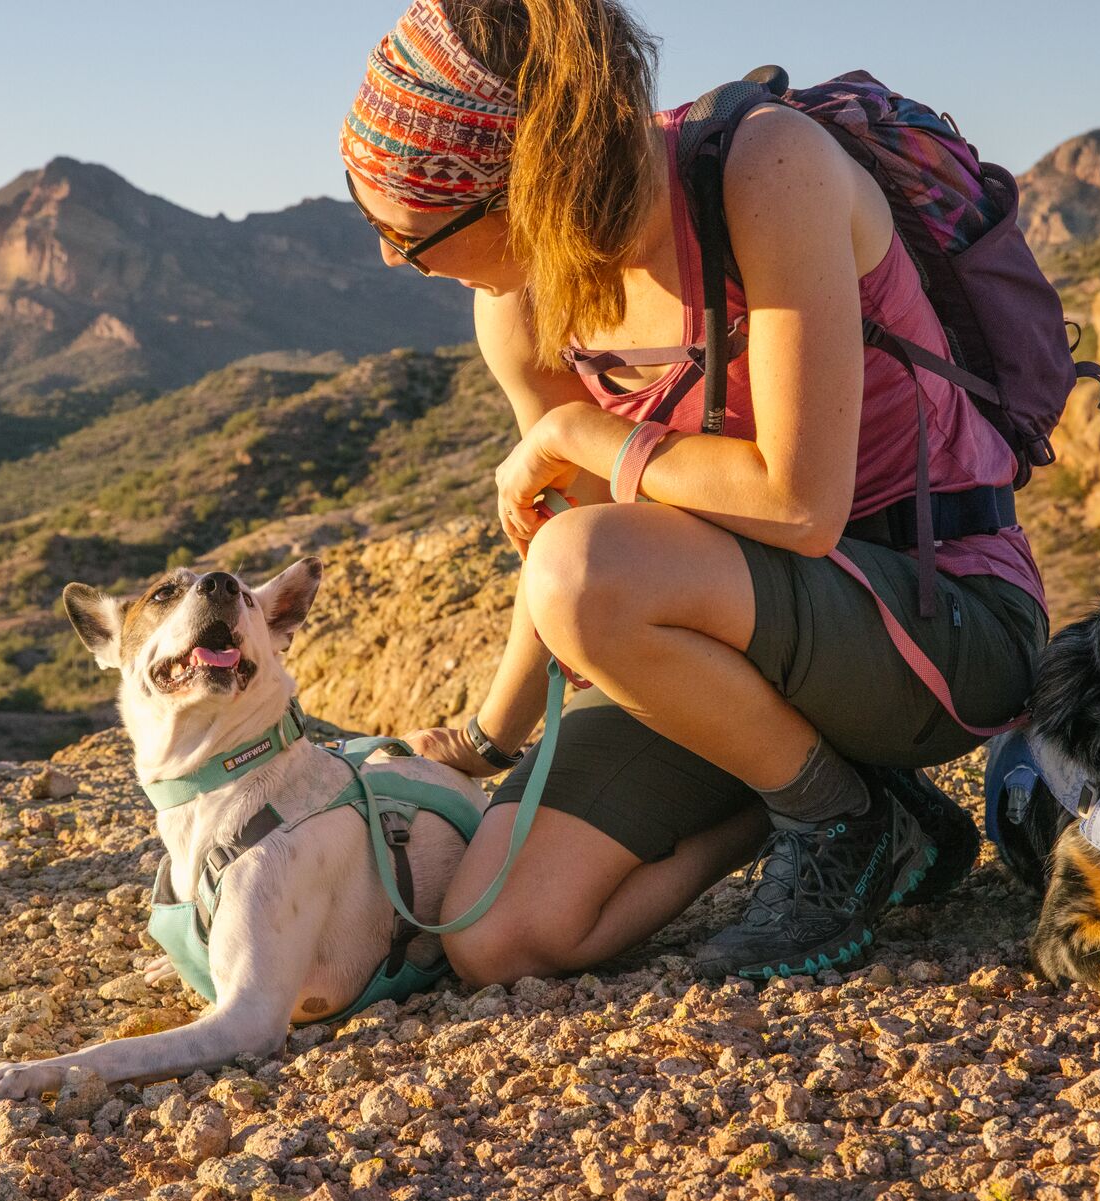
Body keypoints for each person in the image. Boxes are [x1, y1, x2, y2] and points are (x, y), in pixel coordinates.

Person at [340, 0, 1049, 983]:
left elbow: (800, 507)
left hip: (937, 616)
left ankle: (833, 820)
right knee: (502, 935)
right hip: (728, 646)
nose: (389, 253)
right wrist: (484, 737)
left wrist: (580, 430)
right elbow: (571, 546)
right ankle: (853, 805)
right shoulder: (520, 306)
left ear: (516, 196)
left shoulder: (768, 173)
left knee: (587, 566)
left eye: (408, 232)